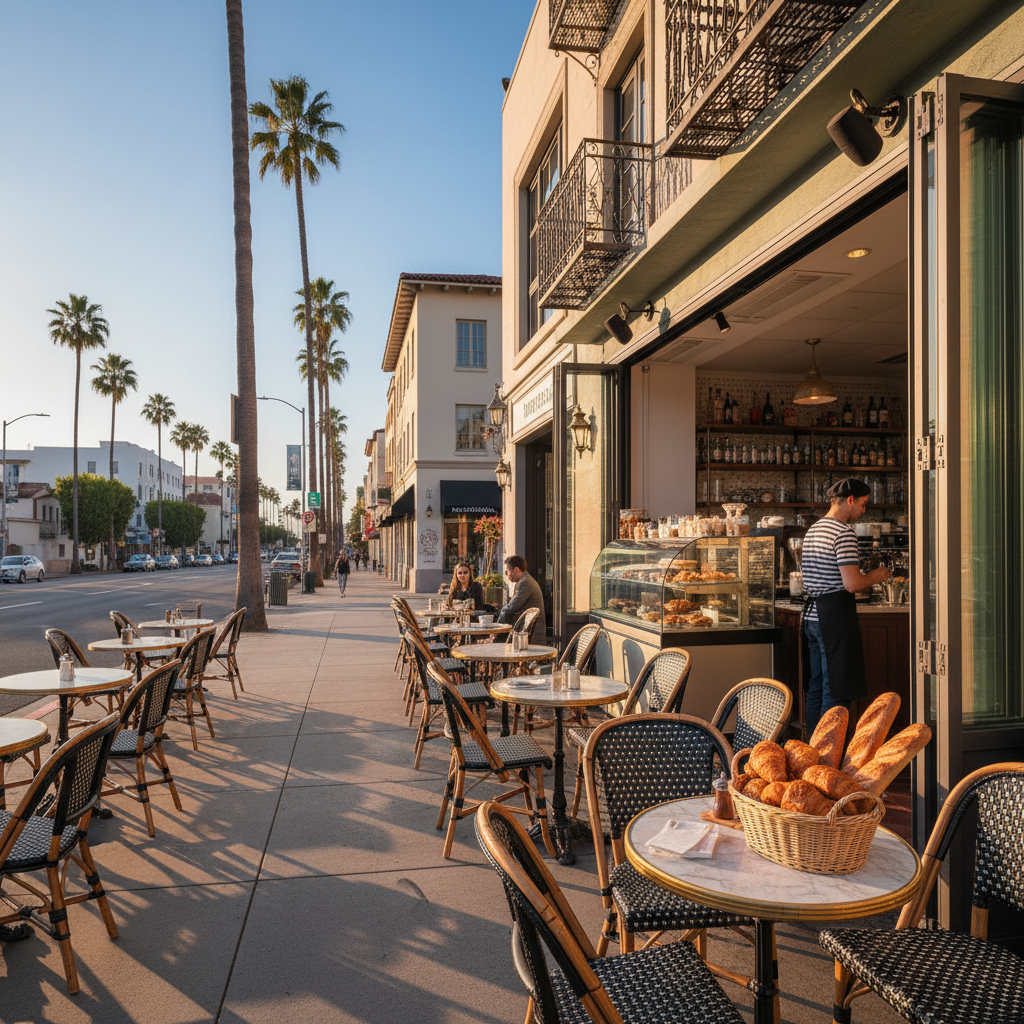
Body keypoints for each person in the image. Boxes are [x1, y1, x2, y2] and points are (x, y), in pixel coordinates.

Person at [801, 477, 891, 735]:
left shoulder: (814, 529)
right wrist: (877, 575)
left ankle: (812, 753)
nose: (863, 510)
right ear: (850, 500)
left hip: (812, 617)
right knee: (837, 691)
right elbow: (852, 584)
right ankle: (830, 758)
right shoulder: (843, 532)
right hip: (834, 620)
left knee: (817, 687)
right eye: (863, 504)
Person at [496, 555, 546, 645]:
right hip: (525, 632)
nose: (507, 575)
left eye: (507, 572)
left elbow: (512, 607)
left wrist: (496, 627)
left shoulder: (525, 582)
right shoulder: (525, 581)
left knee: (496, 643)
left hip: (530, 636)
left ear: (516, 570)